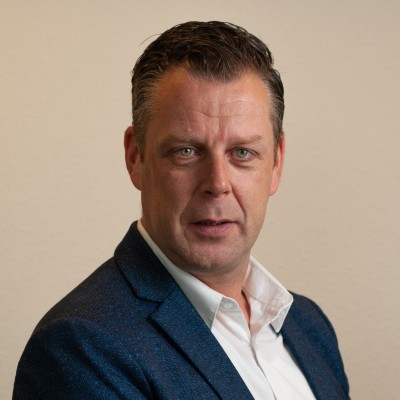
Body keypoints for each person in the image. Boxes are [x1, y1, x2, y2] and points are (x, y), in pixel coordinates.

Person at [13, 21, 350, 399]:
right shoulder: (80, 349)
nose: (217, 183)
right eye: (186, 151)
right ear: (135, 157)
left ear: (276, 164)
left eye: (242, 152)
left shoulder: (309, 327)